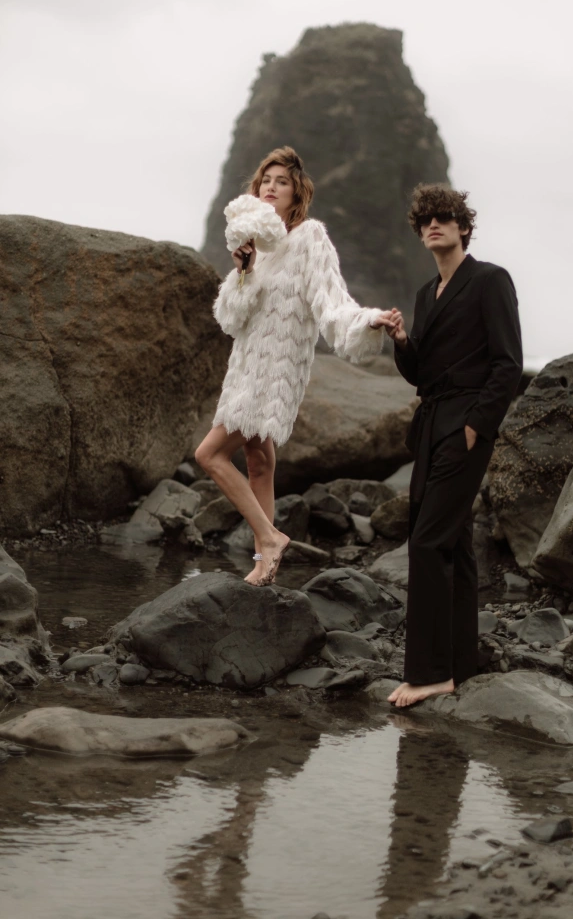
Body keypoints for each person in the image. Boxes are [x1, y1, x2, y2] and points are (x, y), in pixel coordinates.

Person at [196, 146, 397, 587]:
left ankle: (270, 539)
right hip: (245, 364)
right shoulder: (256, 246)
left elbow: (331, 300)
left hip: (276, 370)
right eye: (265, 180)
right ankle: (264, 563)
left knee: (209, 455)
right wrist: (245, 270)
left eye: (281, 181)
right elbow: (231, 318)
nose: (271, 187)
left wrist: (367, 320)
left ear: (296, 193)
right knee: (258, 462)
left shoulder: (310, 237)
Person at [384, 183, 523, 707]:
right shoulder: (427, 294)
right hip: (432, 424)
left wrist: (477, 425)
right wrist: (402, 342)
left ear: (463, 227)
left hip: (464, 423)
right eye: (425, 221)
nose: (433, 226)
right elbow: (421, 372)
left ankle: (429, 673)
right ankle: (462, 665)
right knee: (455, 543)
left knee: (426, 543)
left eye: (443, 218)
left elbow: (508, 363)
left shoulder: (490, 280)